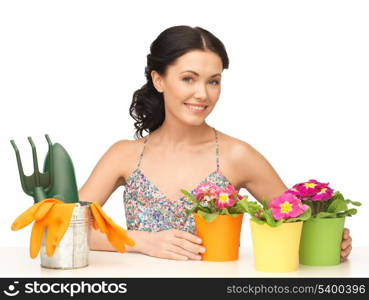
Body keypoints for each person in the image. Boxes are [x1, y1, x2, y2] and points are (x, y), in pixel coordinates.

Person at [78, 25, 352, 262]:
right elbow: (62, 231)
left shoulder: (237, 155)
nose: (202, 94)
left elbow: (294, 223)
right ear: (158, 80)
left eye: (213, 81)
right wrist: (142, 242)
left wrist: (330, 241)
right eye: (188, 79)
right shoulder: (124, 155)